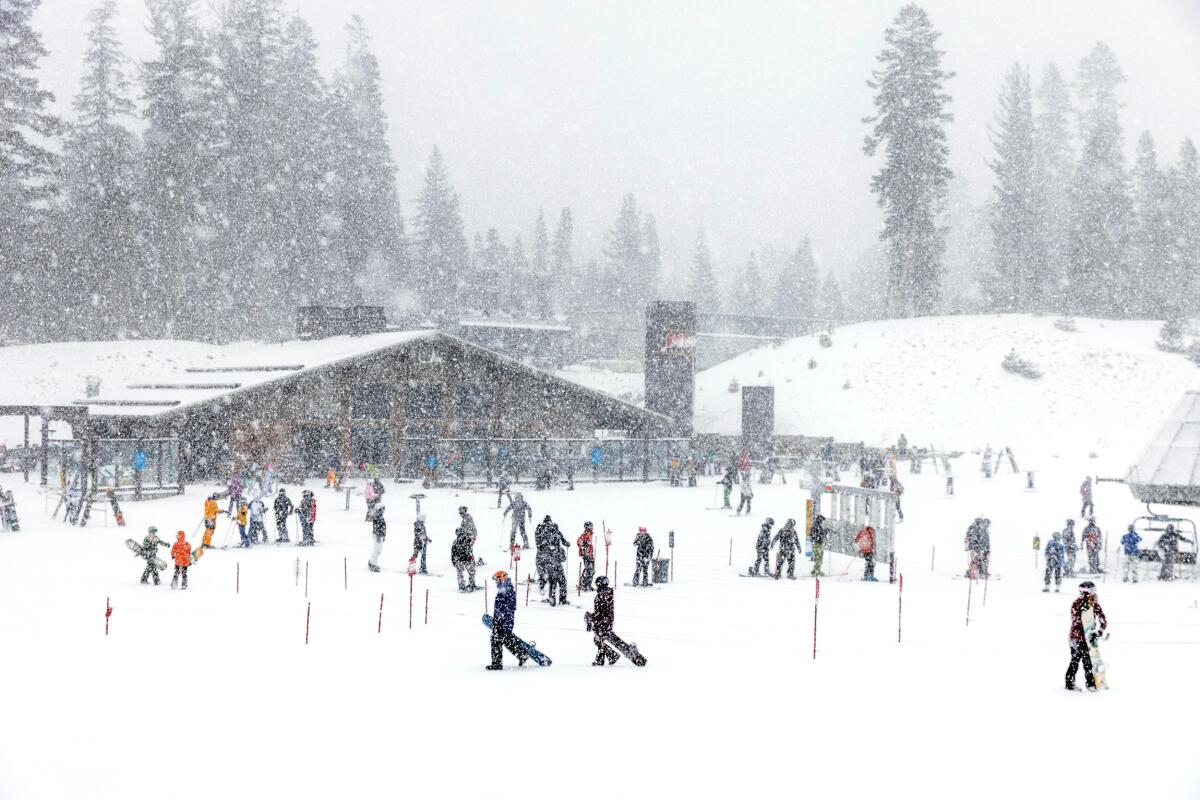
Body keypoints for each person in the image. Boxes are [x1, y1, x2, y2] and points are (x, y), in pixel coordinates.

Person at [1065, 581, 1107, 691]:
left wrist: (1099, 632)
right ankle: (1088, 684)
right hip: (1077, 638)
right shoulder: (1077, 604)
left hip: (1084, 638)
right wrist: (1082, 610)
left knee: (1080, 661)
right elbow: (1076, 621)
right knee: (1082, 661)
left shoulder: (1094, 604)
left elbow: (1103, 620)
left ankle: (1076, 683)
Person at [486, 570, 525, 670]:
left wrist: (501, 620)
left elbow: (509, 608)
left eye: (497, 580)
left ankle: (497, 664)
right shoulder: (505, 589)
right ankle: (521, 654)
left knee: (496, 640)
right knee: (506, 639)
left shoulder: (506, 590)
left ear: (501, 579)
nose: (496, 583)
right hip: (502, 621)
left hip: (503, 622)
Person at [452, 527, 478, 591]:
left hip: (458, 560)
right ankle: (472, 584)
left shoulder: (455, 542)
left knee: (460, 573)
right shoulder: (467, 539)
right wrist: (471, 557)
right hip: (467, 559)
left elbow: (453, 553)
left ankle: (461, 585)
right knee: (471, 572)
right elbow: (470, 549)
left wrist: (454, 561)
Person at [578, 522, 596, 592]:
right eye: (590, 527)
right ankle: (583, 584)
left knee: (591, 570)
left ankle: (587, 584)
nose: (591, 528)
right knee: (589, 569)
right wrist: (584, 544)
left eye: (592, 526)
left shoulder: (590, 534)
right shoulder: (585, 534)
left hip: (590, 554)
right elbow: (579, 541)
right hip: (586, 554)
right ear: (586, 527)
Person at [367, 504, 386, 572]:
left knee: (379, 550)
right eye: (382, 509)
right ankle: (372, 563)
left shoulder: (380, 516)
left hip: (379, 535)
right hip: (378, 536)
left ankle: (373, 562)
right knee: (377, 550)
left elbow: (383, 527)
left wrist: (383, 536)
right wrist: (379, 536)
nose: (383, 511)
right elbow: (377, 527)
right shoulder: (377, 517)